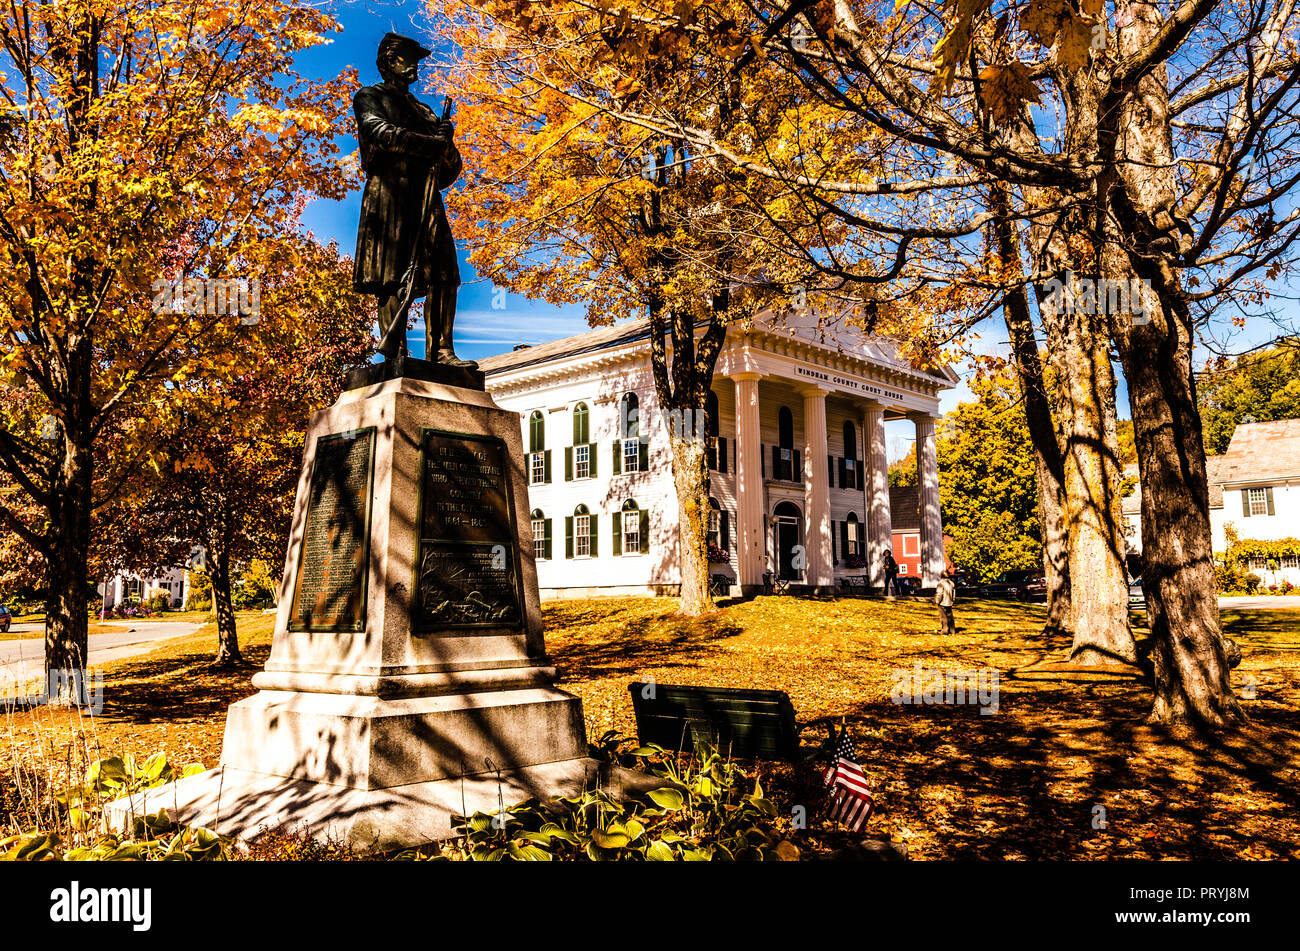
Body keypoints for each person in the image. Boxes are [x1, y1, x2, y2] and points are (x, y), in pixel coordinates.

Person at [352, 33, 474, 366]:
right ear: (389, 61)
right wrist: (429, 143)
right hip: (389, 195)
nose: (415, 65)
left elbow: (450, 168)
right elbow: (380, 133)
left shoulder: (424, 111)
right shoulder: (369, 97)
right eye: (407, 58)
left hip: (426, 195)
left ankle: (441, 352)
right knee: (393, 275)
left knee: (445, 273)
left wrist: (445, 145)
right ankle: (397, 352)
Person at [935, 568, 957, 635]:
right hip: (949, 602)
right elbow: (954, 594)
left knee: (943, 617)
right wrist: (952, 600)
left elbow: (939, 593)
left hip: (942, 603)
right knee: (950, 617)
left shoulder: (941, 583)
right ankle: (952, 631)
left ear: (941, 575)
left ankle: (945, 631)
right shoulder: (951, 583)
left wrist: (937, 601)